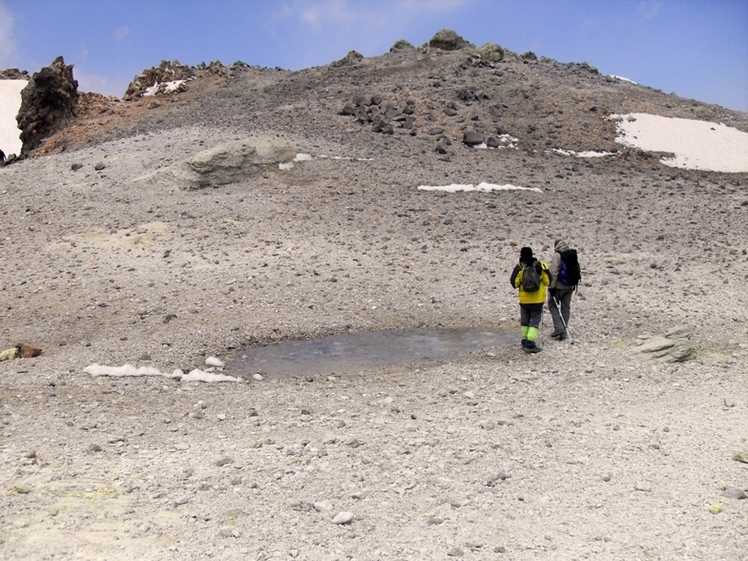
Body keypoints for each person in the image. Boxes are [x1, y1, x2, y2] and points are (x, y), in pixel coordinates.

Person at [510, 246, 551, 353]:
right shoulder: (540, 266)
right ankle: (530, 343)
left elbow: (514, 283)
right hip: (538, 300)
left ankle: (524, 340)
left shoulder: (519, 267)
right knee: (535, 321)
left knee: (525, 321)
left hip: (524, 300)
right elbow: (548, 282)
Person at [548, 239, 578, 341]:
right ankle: (564, 331)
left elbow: (554, 271)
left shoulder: (558, 255)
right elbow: (578, 269)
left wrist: (551, 286)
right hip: (569, 287)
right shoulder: (572, 254)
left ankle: (559, 328)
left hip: (558, 286)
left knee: (552, 305)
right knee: (565, 308)